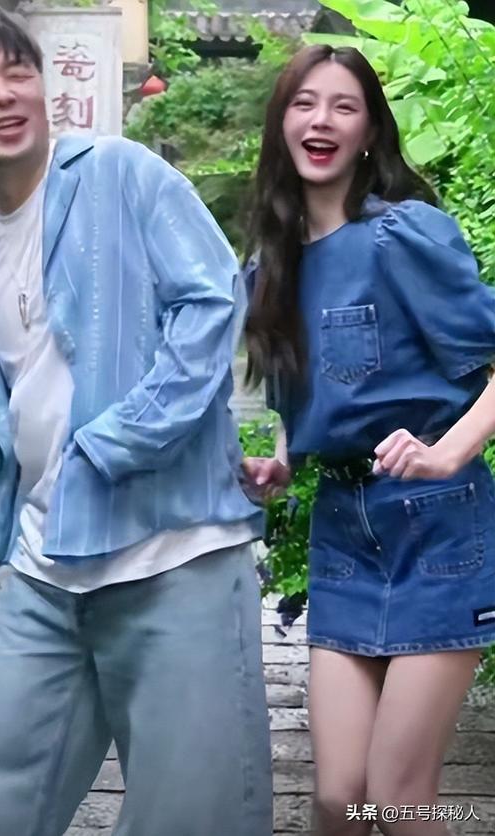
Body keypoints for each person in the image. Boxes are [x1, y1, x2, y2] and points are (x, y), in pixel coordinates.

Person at [0, 5, 273, 835]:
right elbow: (14, 390)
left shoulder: (121, 173)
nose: (3, 95)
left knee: (189, 815)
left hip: (173, 552)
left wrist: (120, 438)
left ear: (44, 88)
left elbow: (213, 300)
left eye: (18, 72)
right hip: (47, 565)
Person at [242, 44, 495, 836]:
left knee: (399, 796)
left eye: (343, 106)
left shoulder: (403, 237)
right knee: (338, 799)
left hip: (439, 527)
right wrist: (283, 460)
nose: (322, 120)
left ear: (369, 132)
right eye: (304, 103)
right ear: (281, 124)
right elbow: (308, 394)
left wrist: (449, 450)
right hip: (343, 534)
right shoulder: (270, 267)